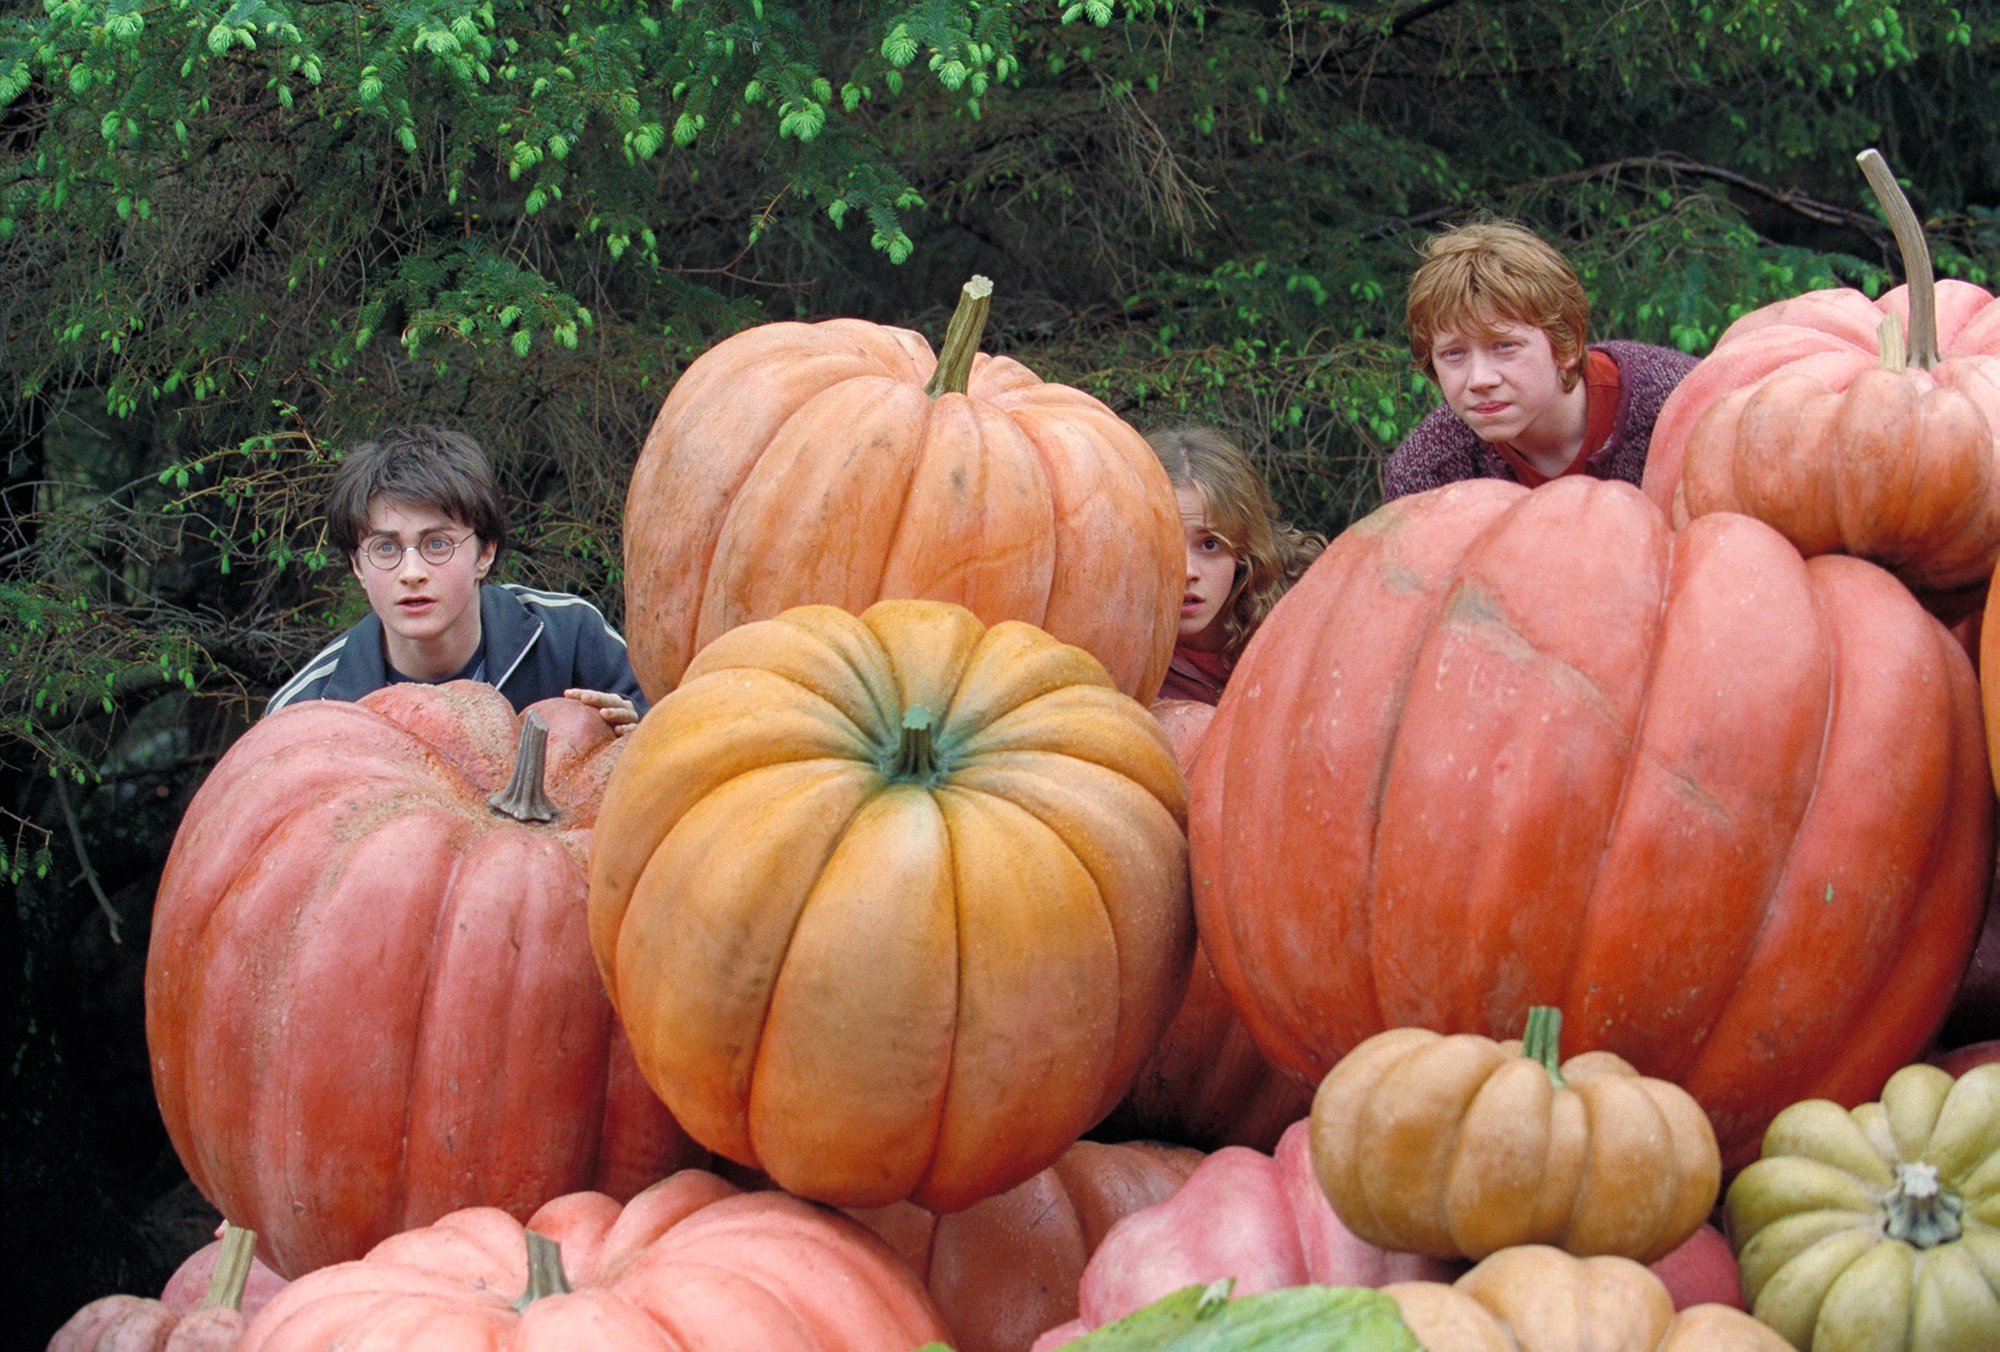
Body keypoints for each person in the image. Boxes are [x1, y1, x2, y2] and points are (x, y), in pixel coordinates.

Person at [265, 425, 646, 731]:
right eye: (385, 548)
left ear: (485, 553)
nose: (411, 573)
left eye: (437, 544)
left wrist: (639, 733)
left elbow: (667, 741)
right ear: (357, 566)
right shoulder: (309, 708)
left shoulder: (570, 637)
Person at [1381, 220, 1699, 501]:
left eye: (1505, 346)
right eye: (1454, 353)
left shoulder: (1682, 402)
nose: (1479, 379)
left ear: (1568, 346)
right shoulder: (1425, 475)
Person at [1147, 426, 1326, 705]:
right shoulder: (1115, 649)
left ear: (1243, 547)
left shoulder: (1304, 613)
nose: (1187, 572)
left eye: (1209, 544)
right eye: (1166, 544)